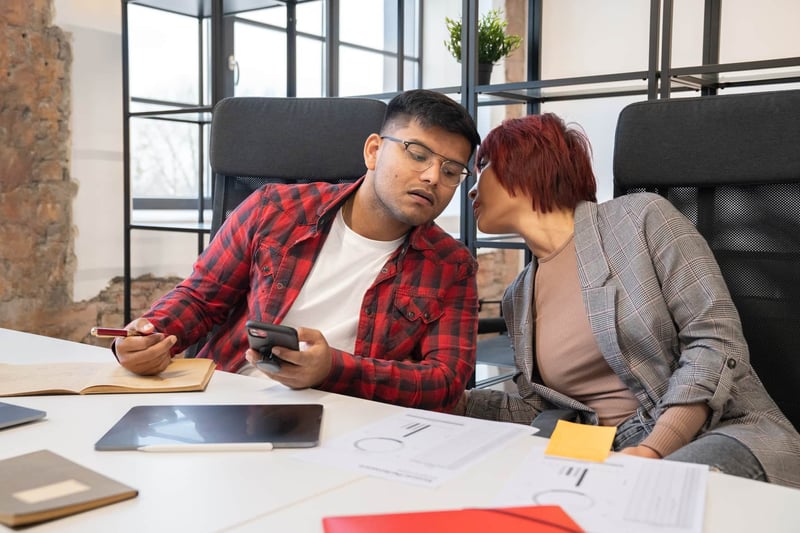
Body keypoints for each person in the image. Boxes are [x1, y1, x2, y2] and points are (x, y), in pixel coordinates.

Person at [458, 113, 800, 488]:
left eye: (484, 166)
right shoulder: (518, 295)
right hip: (605, 453)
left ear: (526, 161)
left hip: (717, 431)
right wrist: (442, 396)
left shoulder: (640, 219)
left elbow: (715, 339)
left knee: (648, 498)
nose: (471, 189)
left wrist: (653, 449)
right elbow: (540, 408)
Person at [113, 89, 482, 412]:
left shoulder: (451, 265)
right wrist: (151, 334)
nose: (433, 176)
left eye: (451, 171)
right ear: (373, 151)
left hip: (353, 423)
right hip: (231, 402)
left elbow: (446, 382)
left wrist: (334, 369)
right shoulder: (273, 209)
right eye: (417, 154)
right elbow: (200, 298)